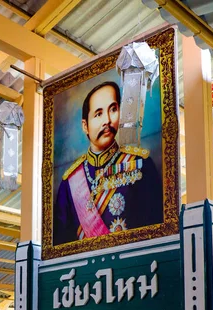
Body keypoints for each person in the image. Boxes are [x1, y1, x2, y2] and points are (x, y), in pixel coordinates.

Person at [54, 81, 163, 245]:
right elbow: (61, 243)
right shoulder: (69, 183)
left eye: (113, 109)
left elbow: (156, 229)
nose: (107, 120)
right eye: (98, 114)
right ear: (85, 126)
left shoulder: (141, 164)